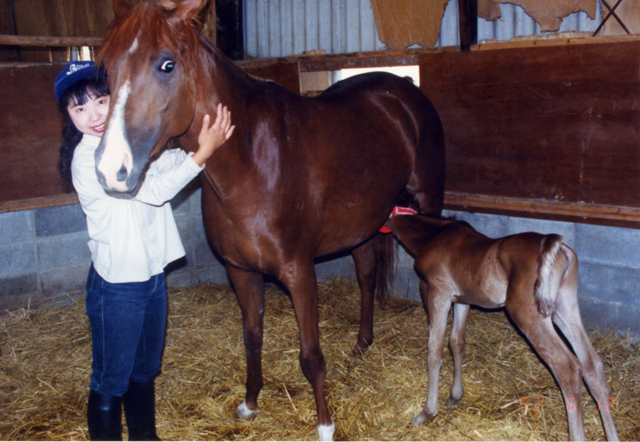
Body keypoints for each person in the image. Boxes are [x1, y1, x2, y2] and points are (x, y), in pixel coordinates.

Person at [55, 60, 235, 441]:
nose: (94, 115)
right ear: (68, 116)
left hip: (151, 276)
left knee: (144, 369)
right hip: (118, 285)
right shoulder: (89, 161)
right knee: (110, 379)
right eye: (79, 107)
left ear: (117, 99)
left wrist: (197, 141)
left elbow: (162, 162)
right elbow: (150, 190)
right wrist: (201, 154)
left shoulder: (126, 144)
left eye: (101, 101)